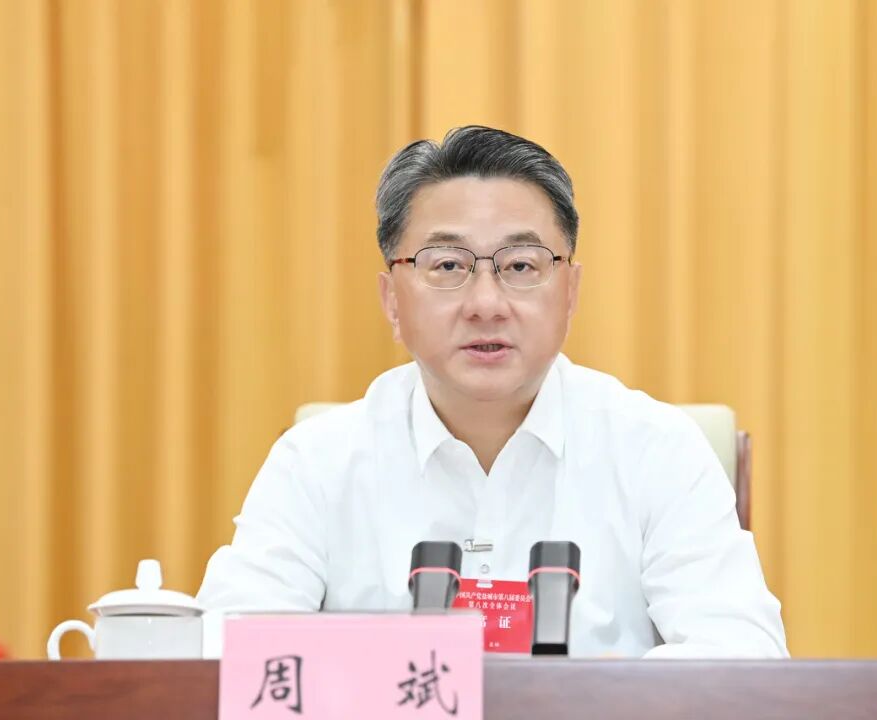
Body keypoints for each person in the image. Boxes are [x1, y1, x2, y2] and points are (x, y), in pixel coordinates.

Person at [197, 126, 788, 658]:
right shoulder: (316, 462)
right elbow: (226, 656)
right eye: (448, 266)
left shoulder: (655, 449)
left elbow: (745, 658)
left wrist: (589, 698)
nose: (486, 303)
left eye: (521, 266)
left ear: (570, 293)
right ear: (392, 301)